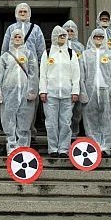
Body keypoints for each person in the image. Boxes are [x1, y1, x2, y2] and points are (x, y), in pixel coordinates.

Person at [1, 3, 46, 140]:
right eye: (20, 11)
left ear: (29, 13)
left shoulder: (36, 29)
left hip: (30, 71)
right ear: (16, 12)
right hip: (13, 72)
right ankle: (13, 136)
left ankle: (29, 132)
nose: (22, 13)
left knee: (30, 103)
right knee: (11, 107)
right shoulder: (10, 29)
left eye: (25, 11)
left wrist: (38, 70)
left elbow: (41, 50)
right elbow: (4, 49)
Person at [39, 26, 81, 158]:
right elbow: (43, 74)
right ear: (54, 37)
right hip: (51, 93)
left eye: (64, 36)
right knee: (51, 122)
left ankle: (63, 148)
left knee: (65, 122)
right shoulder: (47, 53)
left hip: (67, 94)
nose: (62, 38)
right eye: (60, 36)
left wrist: (75, 91)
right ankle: (53, 148)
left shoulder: (71, 53)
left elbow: (76, 74)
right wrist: (43, 91)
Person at [0, 29, 38, 154]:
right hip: (9, 92)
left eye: (20, 36)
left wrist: (32, 90)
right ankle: (12, 146)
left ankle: (23, 146)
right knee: (9, 118)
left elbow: (34, 73)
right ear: (11, 38)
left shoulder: (29, 54)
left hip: (25, 92)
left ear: (23, 38)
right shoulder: (5, 56)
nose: (17, 38)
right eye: (15, 36)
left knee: (24, 119)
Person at [81, 28, 111, 157]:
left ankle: (106, 146)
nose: (98, 39)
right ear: (92, 38)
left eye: (101, 37)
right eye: (96, 37)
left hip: (106, 91)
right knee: (90, 118)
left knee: (107, 119)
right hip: (90, 91)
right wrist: (82, 92)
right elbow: (81, 76)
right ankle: (94, 145)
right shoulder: (85, 55)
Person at [63, 19, 85, 139]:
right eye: (67, 31)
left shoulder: (80, 47)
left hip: (78, 82)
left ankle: (74, 134)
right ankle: (64, 135)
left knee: (77, 111)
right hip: (64, 82)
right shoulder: (60, 46)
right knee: (65, 112)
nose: (69, 33)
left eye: (72, 31)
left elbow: (84, 64)